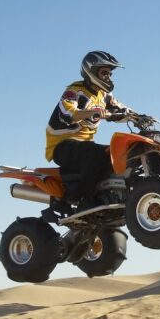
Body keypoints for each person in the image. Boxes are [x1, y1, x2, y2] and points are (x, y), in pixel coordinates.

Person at [45, 51, 130, 211]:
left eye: (110, 74)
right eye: (104, 73)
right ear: (91, 71)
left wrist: (140, 116)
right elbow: (68, 113)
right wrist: (92, 112)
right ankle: (83, 200)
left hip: (83, 146)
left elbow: (122, 109)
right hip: (61, 146)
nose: (108, 77)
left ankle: (108, 196)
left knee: (114, 152)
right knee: (93, 152)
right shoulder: (74, 91)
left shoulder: (104, 96)